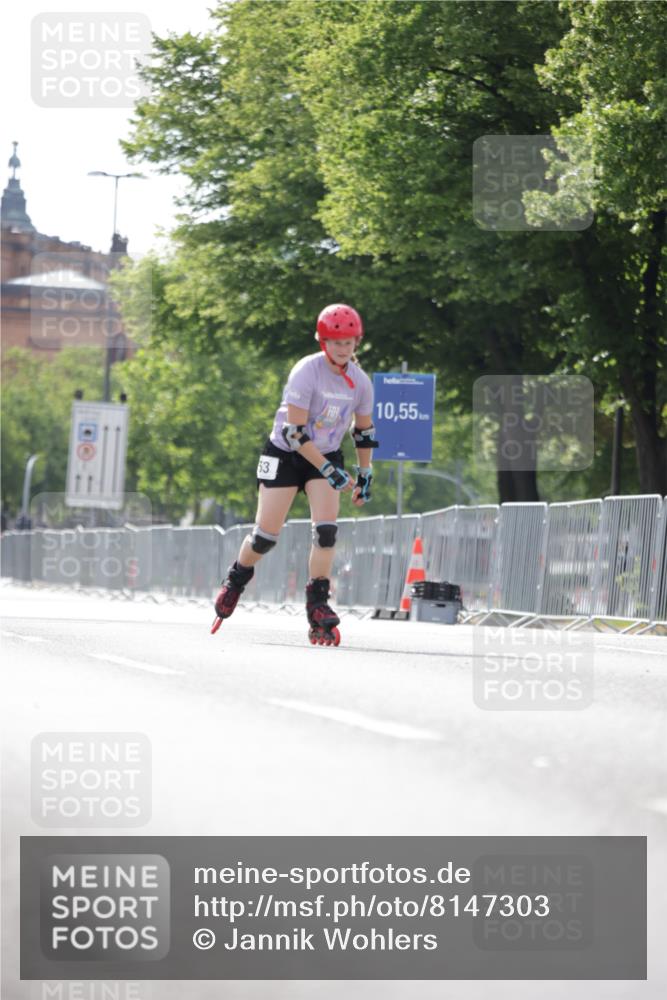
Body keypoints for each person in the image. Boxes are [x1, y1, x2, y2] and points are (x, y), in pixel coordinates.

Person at [212, 303, 378, 644]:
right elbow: (294, 434)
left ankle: (318, 604)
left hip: (326, 453)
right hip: (286, 453)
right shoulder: (307, 371)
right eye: (336, 342)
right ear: (323, 342)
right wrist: (330, 471)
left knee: (327, 532)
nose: (343, 349)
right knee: (265, 537)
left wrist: (365, 473)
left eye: (348, 343)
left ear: (356, 343)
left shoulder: (361, 383)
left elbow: (363, 431)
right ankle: (237, 576)